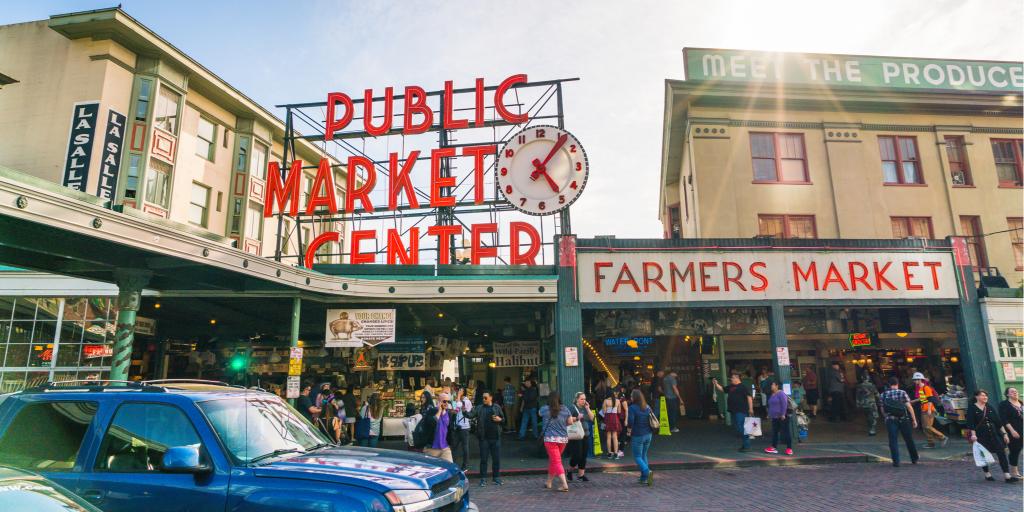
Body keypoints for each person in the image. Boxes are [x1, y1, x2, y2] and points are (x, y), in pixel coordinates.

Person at [967, 389, 1018, 483]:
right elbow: (971, 424)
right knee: (983, 454)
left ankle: (1007, 475)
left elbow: (998, 422)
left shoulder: (989, 407)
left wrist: (1005, 434)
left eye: (986, 395)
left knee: (1001, 453)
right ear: (976, 397)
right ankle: (987, 473)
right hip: (981, 435)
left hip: (994, 434)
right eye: (982, 395)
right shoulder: (972, 408)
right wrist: (973, 436)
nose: (985, 397)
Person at [465, 391, 505, 486]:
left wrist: (500, 419)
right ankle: (483, 478)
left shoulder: (497, 407)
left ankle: (496, 478)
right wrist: (463, 411)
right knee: (483, 459)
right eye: (483, 398)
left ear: (491, 398)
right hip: (484, 438)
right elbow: (470, 415)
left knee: (496, 459)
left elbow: (503, 420)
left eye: (485, 398)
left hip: (496, 438)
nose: (484, 399)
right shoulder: (479, 408)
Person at [539, 392, 576, 492]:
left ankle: (564, 485)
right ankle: (549, 482)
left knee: (556, 461)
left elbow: (539, 413)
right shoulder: (565, 409)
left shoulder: (545, 409)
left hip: (550, 439)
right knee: (554, 460)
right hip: (563, 439)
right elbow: (570, 422)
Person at [879, 377, 919, 467]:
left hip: (891, 420)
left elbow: (882, 409)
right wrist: (914, 419)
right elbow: (909, 407)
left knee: (893, 441)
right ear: (897, 384)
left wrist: (886, 417)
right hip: (903, 419)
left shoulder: (883, 395)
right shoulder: (902, 392)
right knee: (909, 439)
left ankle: (896, 461)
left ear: (889, 384)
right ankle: (914, 458)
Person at [713, 374, 753, 452]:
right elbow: (722, 389)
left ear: (737, 378)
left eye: (732, 378)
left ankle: (747, 445)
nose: (731, 379)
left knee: (741, 427)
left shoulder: (743, 387)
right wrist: (716, 383)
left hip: (741, 410)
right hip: (733, 410)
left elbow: (749, 397)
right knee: (738, 427)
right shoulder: (731, 386)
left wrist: (751, 408)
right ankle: (745, 444)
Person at [626, 389, 655, 485]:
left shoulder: (632, 408)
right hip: (648, 434)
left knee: (637, 456)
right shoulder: (647, 406)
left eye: (631, 396)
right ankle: (643, 478)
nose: (630, 397)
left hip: (638, 435)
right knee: (644, 455)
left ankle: (647, 472)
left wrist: (628, 431)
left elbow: (630, 421)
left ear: (634, 398)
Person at [912, 372, 948, 448]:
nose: (914, 381)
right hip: (924, 409)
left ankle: (942, 437)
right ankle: (930, 443)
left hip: (928, 410)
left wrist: (929, 410)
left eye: (915, 380)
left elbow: (930, 399)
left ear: (919, 380)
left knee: (928, 426)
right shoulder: (921, 388)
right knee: (925, 427)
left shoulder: (926, 388)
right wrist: (913, 401)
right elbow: (923, 398)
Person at [566, 392, 594, 482]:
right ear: (577, 399)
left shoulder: (585, 408)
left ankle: (581, 475)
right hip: (576, 435)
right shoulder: (572, 408)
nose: (583, 401)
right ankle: (569, 471)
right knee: (577, 455)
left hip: (586, 434)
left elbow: (592, 418)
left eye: (584, 399)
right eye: (582, 399)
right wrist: (577, 418)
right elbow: (567, 420)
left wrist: (588, 408)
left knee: (584, 455)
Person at [998, 388, 1023, 479]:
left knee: (1018, 449)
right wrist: (1012, 431)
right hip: (1013, 431)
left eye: (1016, 391)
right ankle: (1014, 472)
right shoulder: (1004, 405)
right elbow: (1004, 420)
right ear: (1007, 394)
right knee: (1015, 450)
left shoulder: (1021, 403)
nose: (1015, 392)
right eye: (1012, 392)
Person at [422, 392, 454, 462]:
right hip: (432, 448)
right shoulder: (431, 411)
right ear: (439, 401)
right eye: (444, 401)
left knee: (450, 467)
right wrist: (439, 411)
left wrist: (450, 443)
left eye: (448, 401)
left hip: (445, 448)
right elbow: (431, 423)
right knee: (431, 470)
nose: (446, 403)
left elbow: (450, 429)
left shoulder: (449, 413)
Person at [764, 381, 793, 455]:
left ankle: (789, 448)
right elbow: (771, 405)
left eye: (772, 384)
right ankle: (773, 447)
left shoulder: (781, 393)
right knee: (775, 432)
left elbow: (784, 404)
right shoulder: (772, 394)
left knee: (786, 432)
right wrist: (769, 414)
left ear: (777, 386)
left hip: (783, 417)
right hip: (775, 417)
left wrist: (783, 414)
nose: (771, 386)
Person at [451, 387, 473, 470]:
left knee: (465, 447)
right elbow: (456, 409)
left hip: (464, 428)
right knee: (454, 446)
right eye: (458, 390)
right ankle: (453, 464)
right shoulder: (459, 400)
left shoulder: (467, 401)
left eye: (460, 391)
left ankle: (465, 465)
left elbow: (459, 405)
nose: (458, 392)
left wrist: (458, 396)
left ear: (464, 392)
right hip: (457, 426)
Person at [601, 392, 623, 459]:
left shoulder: (605, 401)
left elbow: (604, 412)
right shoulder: (618, 401)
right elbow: (619, 411)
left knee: (608, 437)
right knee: (615, 436)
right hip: (615, 419)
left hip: (608, 419)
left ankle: (609, 453)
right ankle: (616, 453)